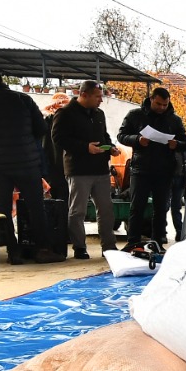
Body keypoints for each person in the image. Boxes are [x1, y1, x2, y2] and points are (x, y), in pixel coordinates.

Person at [0, 61, 66, 264]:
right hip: (26, 161)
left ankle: (13, 252)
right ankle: (43, 249)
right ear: (0, 78)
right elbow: (41, 128)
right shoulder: (22, 99)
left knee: (3, 209)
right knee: (36, 206)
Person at [50, 79, 120, 259]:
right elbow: (58, 138)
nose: (101, 100)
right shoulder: (65, 113)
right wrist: (84, 147)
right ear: (83, 95)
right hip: (78, 170)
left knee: (106, 209)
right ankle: (79, 246)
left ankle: (109, 246)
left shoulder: (99, 114)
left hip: (101, 169)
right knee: (78, 210)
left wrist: (110, 147)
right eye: (97, 97)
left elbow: (104, 136)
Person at [116, 86, 186, 246]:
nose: (162, 108)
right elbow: (121, 135)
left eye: (165, 105)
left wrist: (176, 144)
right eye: (158, 104)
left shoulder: (174, 120)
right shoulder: (135, 115)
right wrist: (137, 140)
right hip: (141, 168)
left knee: (161, 208)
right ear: (151, 100)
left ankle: (158, 241)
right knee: (137, 207)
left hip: (165, 170)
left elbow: (185, 142)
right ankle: (133, 242)